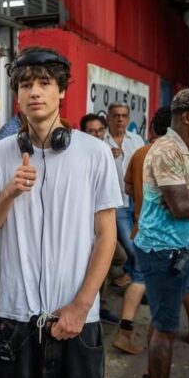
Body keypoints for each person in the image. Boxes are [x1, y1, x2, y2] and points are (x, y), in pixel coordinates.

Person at [0, 46, 122, 378]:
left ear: (62, 91)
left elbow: (106, 235)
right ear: (17, 96)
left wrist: (81, 306)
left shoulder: (94, 153)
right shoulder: (0, 154)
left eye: (44, 83)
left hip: (76, 321)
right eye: (26, 85)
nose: (35, 92)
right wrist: (9, 192)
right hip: (15, 322)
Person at [114, 106, 189, 378]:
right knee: (187, 285)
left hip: (143, 230)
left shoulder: (140, 154)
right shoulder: (180, 156)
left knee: (139, 278)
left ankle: (126, 330)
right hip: (172, 239)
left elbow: (127, 189)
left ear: (153, 129)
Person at [81, 112, 129, 321]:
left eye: (100, 130)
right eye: (92, 131)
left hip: (106, 217)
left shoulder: (110, 153)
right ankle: (96, 304)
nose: (97, 134)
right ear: (83, 133)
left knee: (116, 256)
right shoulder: (78, 155)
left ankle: (98, 301)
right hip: (84, 222)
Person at [105, 102, 146, 318]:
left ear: (128, 119)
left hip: (137, 200)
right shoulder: (102, 141)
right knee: (130, 246)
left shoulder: (136, 140)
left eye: (123, 116)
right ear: (109, 118)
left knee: (139, 242)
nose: (120, 119)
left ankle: (137, 282)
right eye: (116, 115)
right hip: (117, 202)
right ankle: (140, 283)